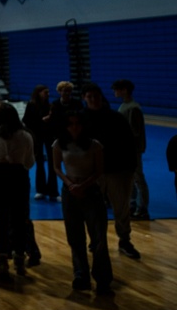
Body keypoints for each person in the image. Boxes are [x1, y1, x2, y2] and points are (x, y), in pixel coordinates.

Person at [53, 110, 112, 295]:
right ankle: (81, 275)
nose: (74, 127)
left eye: (77, 123)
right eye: (70, 123)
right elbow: (56, 167)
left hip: (91, 192)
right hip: (70, 192)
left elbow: (99, 170)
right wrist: (70, 184)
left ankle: (102, 279)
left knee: (99, 239)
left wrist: (83, 185)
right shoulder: (59, 144)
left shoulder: (94, 145)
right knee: (75, 237)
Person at [81, 82, 140, 260]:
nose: (93, 100)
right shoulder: (81, 119)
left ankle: (124, 240)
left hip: (117, 170)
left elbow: (130, 143)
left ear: (101, 97)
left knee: (121, 209)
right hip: (92, 173)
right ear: (84, 99)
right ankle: (96, 240)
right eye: (89, 97)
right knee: (92, 210)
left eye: (96, 96)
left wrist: (131, 169)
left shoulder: (116, 118)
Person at [0, 104, 35, 277]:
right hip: (18, 177)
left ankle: (2, 259)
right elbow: (29, 162)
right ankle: (19, 260)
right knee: (19, 220)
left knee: (2, 220)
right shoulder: (26, 135)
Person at [111, 79, 149, 220]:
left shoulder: (133, 108)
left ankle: (143, 208)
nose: (115, 92)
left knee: (138, 178)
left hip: (132, 149)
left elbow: (134, 132)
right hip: (126, 148)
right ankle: (133, 205)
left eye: (117, 89)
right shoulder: (125, 105)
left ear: (124, 90)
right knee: (130, 179)